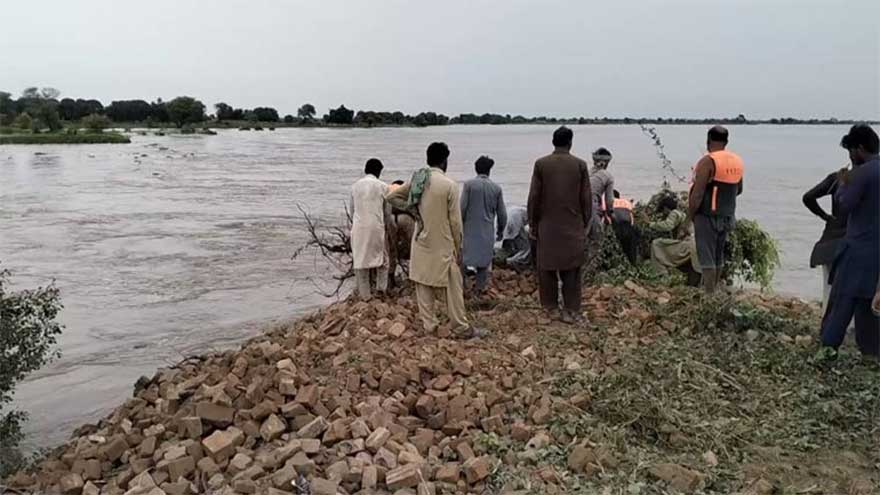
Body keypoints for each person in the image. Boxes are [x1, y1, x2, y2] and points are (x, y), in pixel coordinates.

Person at [387, 143, 486, 338]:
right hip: (442, 242)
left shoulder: (418, 180)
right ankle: (460, 327)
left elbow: (391, 196)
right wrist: (459, 247)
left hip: (421, 239)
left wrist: (412, 210)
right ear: (444, 161)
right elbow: (456, 222)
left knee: (423, 284)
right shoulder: (449, 185)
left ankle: (429, 326)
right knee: (452, 286)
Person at [820, 124, 879, 357]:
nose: (850, 157)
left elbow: (844, 205)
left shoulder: (860, 174)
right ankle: (871, 354)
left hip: (858, 250)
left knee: (842, 303)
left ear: (860, 149)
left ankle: (827, 351)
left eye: (851, 151)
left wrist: (844, 182)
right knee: (869, 307)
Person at [527, 126, 592, 324]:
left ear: (553, 141)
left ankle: (550, 307)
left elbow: (534, 198)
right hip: (573, 226)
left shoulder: (541, 164)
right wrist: (585, 223)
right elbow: (586, 199)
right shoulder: (580, 165)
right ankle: (571, 309)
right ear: (570, 143)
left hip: (547, 226)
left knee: (546, 268)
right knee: (572, 270)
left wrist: (533, 224)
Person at [687, 126, 744, 294]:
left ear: (708, 140)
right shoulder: (736, 161)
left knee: (706, 256)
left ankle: (709, 294)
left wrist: (690, 217)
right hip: (727, 215)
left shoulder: (707, 161)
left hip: (706, 215)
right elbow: (739, 189)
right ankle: (716, 289)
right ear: (726, 142)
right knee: (719, 255)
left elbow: (697, 194)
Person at [803, 142, 853, 313]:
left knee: (829, 288)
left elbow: (808, 197)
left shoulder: (837, 178)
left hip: (830, 240)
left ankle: (828, 325)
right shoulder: (871, 180)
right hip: (854, 240)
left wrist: (825, 217)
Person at [461, 156, 507, 295]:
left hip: (468, 230)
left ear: (476, 169)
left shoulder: (469, 185)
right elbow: (502, 214)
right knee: (483, 262)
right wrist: (500, 230)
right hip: (486, 230)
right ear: (489, 170)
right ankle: (479, 290)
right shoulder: (496, 188)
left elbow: (462, 208)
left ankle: (462, 288)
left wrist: (458, 226)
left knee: (463, 259)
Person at [350, 158, 390, 300]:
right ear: (379, 172)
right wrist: (388, 228)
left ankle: (365, 296)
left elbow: (352, 211)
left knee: (360, 262)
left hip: (359, 228)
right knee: (383, 260)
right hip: (376, 228)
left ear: (365, 170)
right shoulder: (383, 186)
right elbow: (387, 213)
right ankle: (381, 290)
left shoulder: (355, 186)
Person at [649, 192, 701, 286]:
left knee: (656, 244)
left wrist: (650, 224)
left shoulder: (674, 213)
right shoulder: (682, 214)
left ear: (665, 208)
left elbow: (667, 225)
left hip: (687, 245)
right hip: (694, 244)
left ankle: (662, 274)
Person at [610, 190, 639, 265]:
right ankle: (633, 265)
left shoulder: (608, 202)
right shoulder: (626, 202)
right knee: (631, 250)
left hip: (616, 228)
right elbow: (632, 214)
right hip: (629, 228)